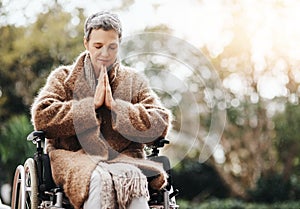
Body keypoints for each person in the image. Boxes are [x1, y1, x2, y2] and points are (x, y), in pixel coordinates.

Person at [31, 10, 172, 209]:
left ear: (119, 45)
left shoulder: (134, 81)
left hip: (125, 158)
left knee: (133, 182)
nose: (104, 54)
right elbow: (42, 116)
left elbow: (160, 122)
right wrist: (90, 106)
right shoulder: (62, 78)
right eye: (98, 46)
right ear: (86, 43)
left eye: (112, 47)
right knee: (96, 179)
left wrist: (116, 107)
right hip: (73, 157)